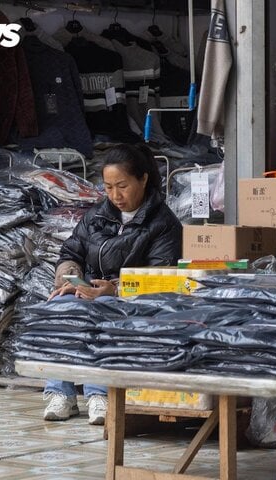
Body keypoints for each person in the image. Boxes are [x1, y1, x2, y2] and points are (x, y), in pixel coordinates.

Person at [43, 143, 182, 424]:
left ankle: (99, 394)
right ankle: (61, 393)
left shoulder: (164, 224)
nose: (115, 195)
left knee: (103, 308)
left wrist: (115, 288)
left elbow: (160, 275)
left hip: (131, 299)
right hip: (91, 290)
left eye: (122, 186)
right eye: (108, 187)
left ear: (143, 179)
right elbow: (71, 252)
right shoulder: (96, 216)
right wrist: (71, 279)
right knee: (59, 306)